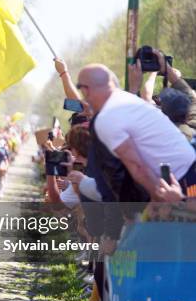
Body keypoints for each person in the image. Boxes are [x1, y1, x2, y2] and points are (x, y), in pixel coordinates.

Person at [77, 63, 196, 200]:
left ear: (86, 90)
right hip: (189, 166)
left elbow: (137, 167)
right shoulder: (127, 99)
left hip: (180, 180)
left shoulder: (107, 118)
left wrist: (160, 200)